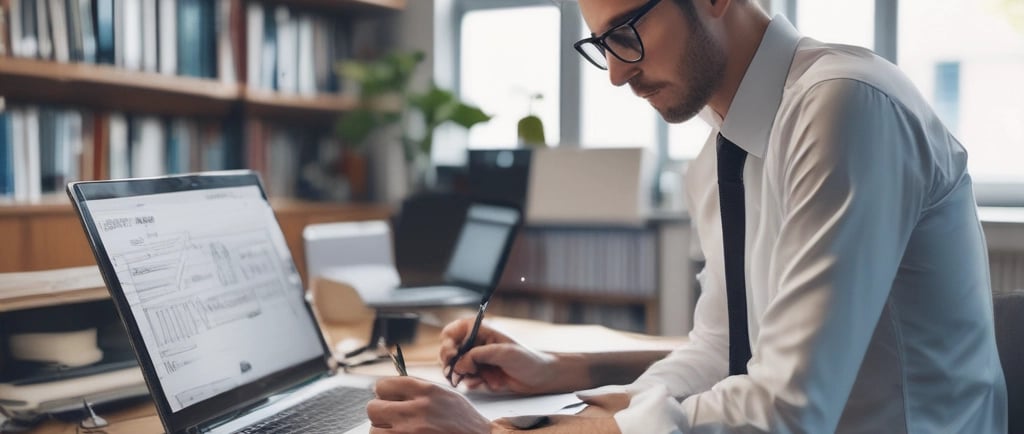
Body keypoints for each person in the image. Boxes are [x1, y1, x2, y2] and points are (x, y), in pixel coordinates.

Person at [367, 0, 1009, 432]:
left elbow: (787, 409)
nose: (617, 73)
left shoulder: (843, 109)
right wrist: (571, 382)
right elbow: (722, 348)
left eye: (628, 32)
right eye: (601, 45)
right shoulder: (718, 155)